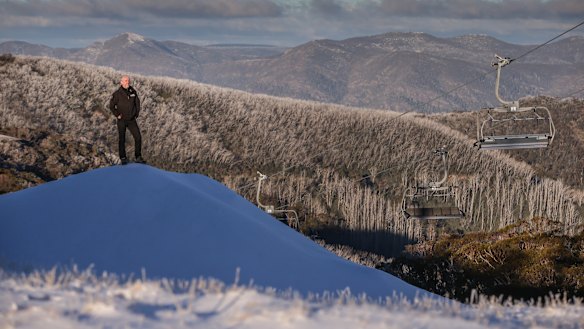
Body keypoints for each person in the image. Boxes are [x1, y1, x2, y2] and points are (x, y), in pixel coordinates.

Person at [109, 75, 144, 164]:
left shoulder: (133, 91)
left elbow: (137, 103)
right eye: (125, 81)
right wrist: (117, 115)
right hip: (122, 120)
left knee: (138, 137)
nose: (127, 82)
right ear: (121, 82)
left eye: (128, 80)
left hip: (132, 119)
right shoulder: (117, 94)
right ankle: (123, 158)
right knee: (122, 139)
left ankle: (138, 156)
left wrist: (136, 114)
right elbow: (111, 106)